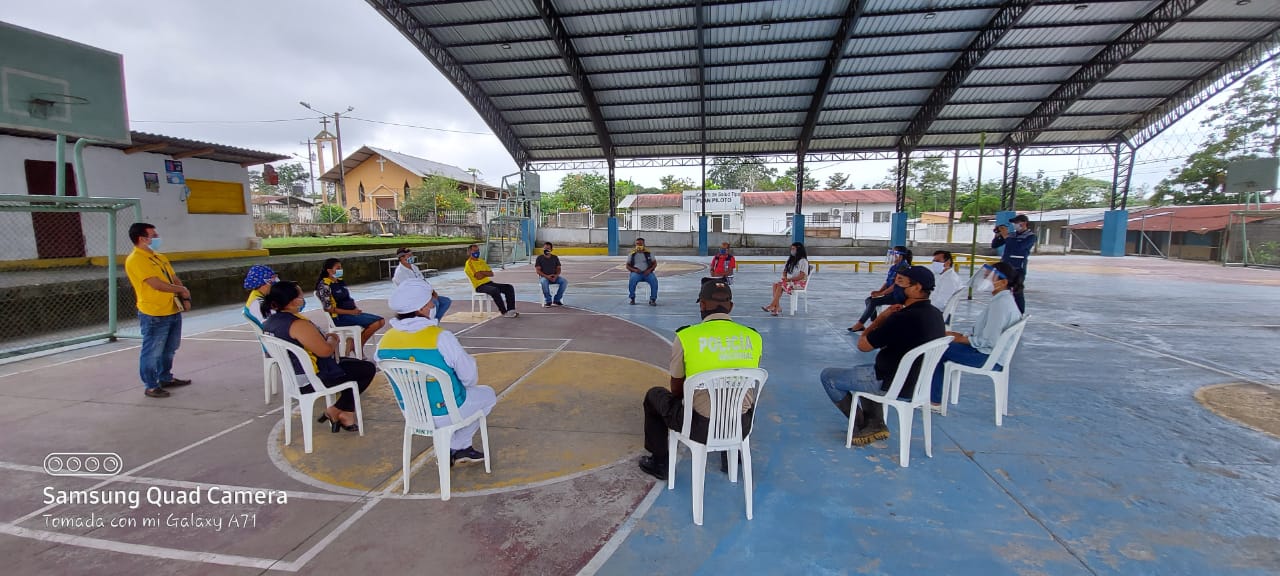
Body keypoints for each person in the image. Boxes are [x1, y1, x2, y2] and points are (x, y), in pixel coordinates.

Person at [638, 281, 761, 481]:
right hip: (741, 424)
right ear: (731, 306)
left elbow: (676, 388)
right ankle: (732, 453)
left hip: (700, 427)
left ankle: (660, 462)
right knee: (740, 394)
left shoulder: (686, 336)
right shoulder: (753, 337)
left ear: (702, 305)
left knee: (654, 396)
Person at [820, 266, 945, 445]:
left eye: (901, 282)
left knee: (828, 376)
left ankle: (863, 425)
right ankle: (874, 422)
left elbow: (863, 346)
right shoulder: (935, 314)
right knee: (861, 369)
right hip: (917, 383)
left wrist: (880, 319)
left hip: (893, 383)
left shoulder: (902, 318)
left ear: (917, 287)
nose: (896, 287)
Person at [376, 280, 495, 465]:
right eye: (430, 303)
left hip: (413, 413)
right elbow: (469, 377)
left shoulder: (384, 341)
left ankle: (452, 448)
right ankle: (459, 445)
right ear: (421, 308)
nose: (433, 306)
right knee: (488, 395)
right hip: (447, 411)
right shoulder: (440, 337)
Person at [261, 281, 375, 432]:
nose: (303, 299)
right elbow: (325, 351)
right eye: (301, 296)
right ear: (293, 301)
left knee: (353, 366)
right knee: (366, 369)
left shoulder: (269, 323)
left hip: (293, 378)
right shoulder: (297, 324)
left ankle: (345, 414)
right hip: (312, 379)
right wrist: (333, 338)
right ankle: (336, 410)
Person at [929, 262, 1024, 406]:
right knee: (942, 343)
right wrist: (958, 336)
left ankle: (934, 401)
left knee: (936, 349)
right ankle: (934, 397)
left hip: (987, 357)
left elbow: (988, 341)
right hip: (990, 353)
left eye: (988, 277)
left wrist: (960, 338)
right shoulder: (1002, 299)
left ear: (1003, 282)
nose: (984, 280)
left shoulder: (1001, 305)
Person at [125, 222, 192, 398]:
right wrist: (182, 290)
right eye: (153, 236)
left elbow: (173, 278)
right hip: (154, 312)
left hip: (171, 308)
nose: (157, 238)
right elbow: (156, 284)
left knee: (170, 348)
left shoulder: (159, 257)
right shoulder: (136, 259)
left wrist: (184, 295)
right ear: (142, 239)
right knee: (152, 351)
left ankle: (165, 377)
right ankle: (151, 385)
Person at [316, 258, 386, 352]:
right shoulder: (324, 285)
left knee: (381, 321)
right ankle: (357, 347)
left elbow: (347, 298)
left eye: (341, 267)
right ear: (329, 270)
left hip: (351, 313)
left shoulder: (339, 281)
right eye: (338, 268)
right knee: (375, 323)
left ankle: (354, 344)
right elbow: (328, 308)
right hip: (339, 317)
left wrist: (355, 309)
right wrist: (350, 312)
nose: (341, 270)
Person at [849, 246, 912, 332]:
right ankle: (874, 322)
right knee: (868, 300)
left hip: (898, 295)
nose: (892, 256)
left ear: (900, 256)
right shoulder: (894, 267)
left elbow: (895, 285)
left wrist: (882, 294)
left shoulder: (904, 267)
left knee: (873, 301)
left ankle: (860, 324)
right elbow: (888, 282)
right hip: (891, 293)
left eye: (894, 254)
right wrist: (879, 291)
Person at [392, 248, 451, 320]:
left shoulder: (414, 267)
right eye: (409, 255)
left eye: (411, 255)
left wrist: (433, 292)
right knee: (434, 304)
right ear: (401, 258)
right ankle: (429, 322)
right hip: (414, 298)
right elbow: (410, 291)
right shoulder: (400, 273)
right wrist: (428, 298)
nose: (411, 257)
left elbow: (423, 281)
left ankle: (435, 321)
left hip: (424, 295)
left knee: (446, 301)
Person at [992, 214, 1035, 312]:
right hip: (1006, 267)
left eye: (1017, 223)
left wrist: (1006, 236)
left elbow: (1018, 247)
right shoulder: (1012, 235)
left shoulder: (1031, 236)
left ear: (1024, 223)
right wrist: (998, 235)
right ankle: (1005, 310)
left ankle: (1020, 312)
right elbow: (995, 245)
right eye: (1014, 223)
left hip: (1018, 267)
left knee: (1017, 290)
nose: (1015, 225)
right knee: (1003, 289)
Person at [465, 244, 519, 317]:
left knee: (509, 287)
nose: (477, 252)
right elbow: (478, 276)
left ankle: (511, 310)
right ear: (469, 252)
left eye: (478, 250)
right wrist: (484, 273)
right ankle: (504, 312)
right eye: (474, 251)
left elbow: (491, 273)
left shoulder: (482, 261)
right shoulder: (469, 264)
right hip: (479, 286)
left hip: (489, 283)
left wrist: (481, 272)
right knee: (494, 290)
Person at [762, 242, 808, 316]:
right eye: (791, 249)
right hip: (790, 281)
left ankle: (772, 306)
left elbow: (801, 276)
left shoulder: (803, 261)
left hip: (799, 283)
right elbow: (785, 271)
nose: (792, 250)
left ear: (799, 250)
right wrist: (785, 277)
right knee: (775, 284)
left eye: (793, 249)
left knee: (780, 285)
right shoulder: (791, 259)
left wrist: (789, 280)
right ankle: (777, 307)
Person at [243, 264, 278, 330]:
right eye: (272, 281)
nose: (275, 283)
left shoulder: (258, 294)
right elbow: (274, 325)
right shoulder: (257, 303)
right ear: (263, 283)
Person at [626, 237, 659, 306]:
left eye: (640, 244)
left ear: (644, 245)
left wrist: (649, 270)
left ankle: (653, 299)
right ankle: (632, 298)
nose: (639, 245)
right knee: (632, 280)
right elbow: (627, 266)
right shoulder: (632, 254)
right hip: (636, 273)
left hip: (647, 272)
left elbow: (655, 263)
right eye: (637, 244)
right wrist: (634, 270)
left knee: (654, 281)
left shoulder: (649, 253)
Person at [535, 242, 567, 307]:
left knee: (564, 281)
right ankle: (548, 301)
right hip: (544, 277)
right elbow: (538, 271)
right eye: (545, 248)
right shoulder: (539, 258)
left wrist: (556, 276)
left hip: (554, 277)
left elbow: (559, 268)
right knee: (544, 282)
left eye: (548, 248)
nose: (546, 250)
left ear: (551, 249)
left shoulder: (555, 257)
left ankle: (557, 300)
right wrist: (547, 276)